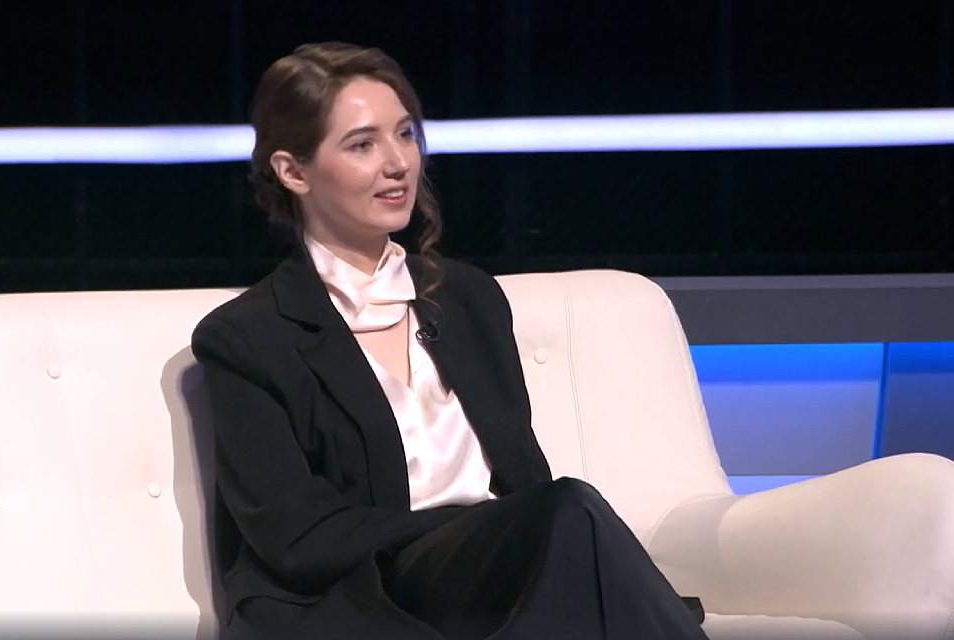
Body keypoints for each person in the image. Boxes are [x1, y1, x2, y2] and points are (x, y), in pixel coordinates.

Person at [191, 41, 708, 640]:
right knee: (568, 510)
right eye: (362, 145)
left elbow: (522, 476)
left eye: (405, 134)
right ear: (294, 171)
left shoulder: (467, 299)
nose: (398, 163)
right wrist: (466, 526)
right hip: (362, 594)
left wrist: (501, 532)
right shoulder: (248, 338)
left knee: (566, 521)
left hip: (493, 586)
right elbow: (296, 538)